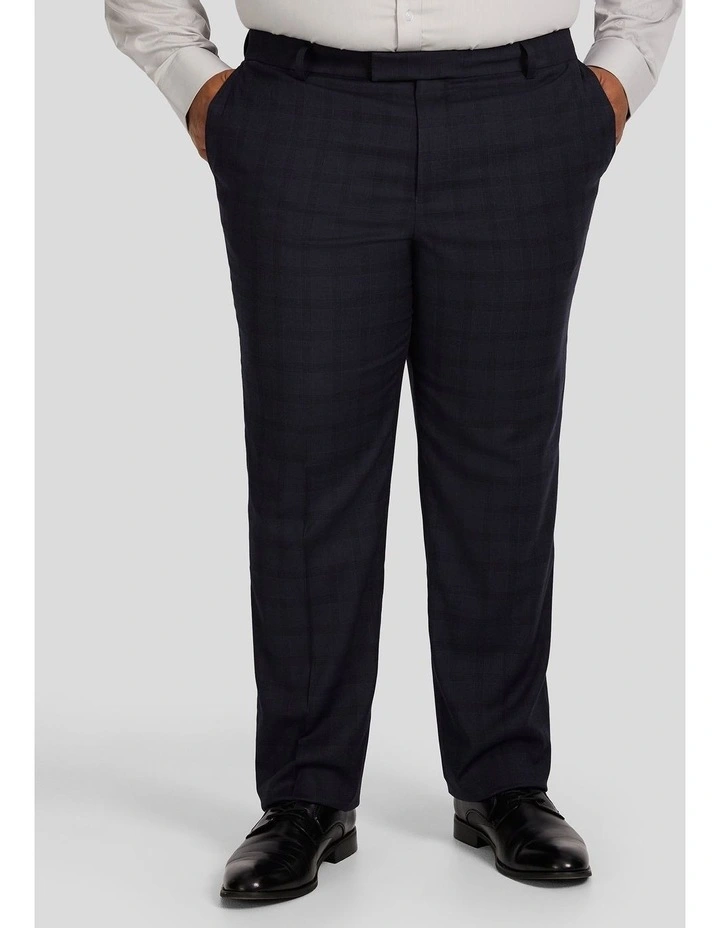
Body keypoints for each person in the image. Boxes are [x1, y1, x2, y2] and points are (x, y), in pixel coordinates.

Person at [105, 0, 681, 900]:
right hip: (302, 110)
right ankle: (305, 793)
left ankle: (503, 778)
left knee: (503, 461)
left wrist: (618, 76)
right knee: (306, 465)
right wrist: (195, 83)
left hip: (519, 112)